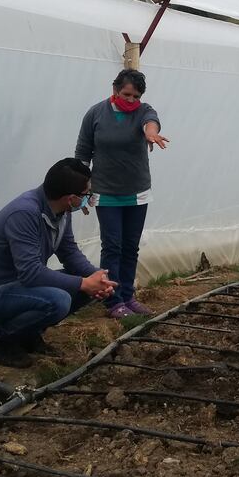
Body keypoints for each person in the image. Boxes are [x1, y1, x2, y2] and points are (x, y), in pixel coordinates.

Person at [0, 159, 117, 368]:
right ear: (71, 198)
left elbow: (69, 253)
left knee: (81, 289)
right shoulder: (24, 213)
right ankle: (0, 339)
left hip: (20, 288)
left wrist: (97, 277)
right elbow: (30, 273)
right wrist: (84, 283)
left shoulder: (61, 211)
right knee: (60, 299)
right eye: (86, 194)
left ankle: (29, 334)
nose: (88, 199)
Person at [75, 69, 168, 320]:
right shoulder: (96, 114)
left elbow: (151, 120)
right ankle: (112, 300)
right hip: (105, 192)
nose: (130, 100)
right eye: (126, 94)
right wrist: (81, 187)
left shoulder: (143, 110)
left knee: (130, 247)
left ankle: (128, 296)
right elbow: (83, 152)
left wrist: (150, 132)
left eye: (135, 96)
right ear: (115, 89)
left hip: (137, 193)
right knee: (112, 246)